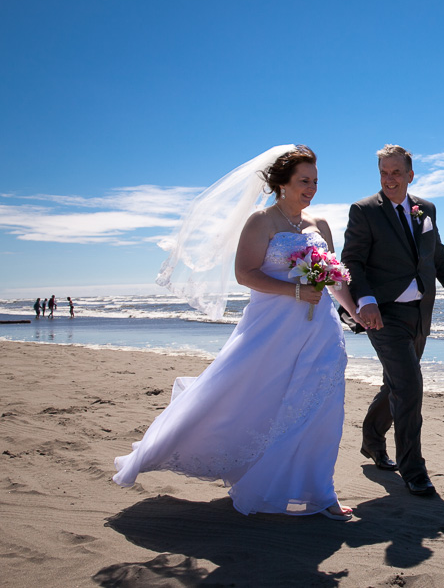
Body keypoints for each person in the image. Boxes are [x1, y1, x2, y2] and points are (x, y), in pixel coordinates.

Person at [113, 145, 359, 520]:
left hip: (320, 329)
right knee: (248, 398)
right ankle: (209, 459)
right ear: (282, 184)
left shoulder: (321, 225)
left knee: (321, 406)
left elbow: (332, 278)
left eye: (315, 182)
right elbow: (246, 274)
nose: (310, 188)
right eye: (303, 181)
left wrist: (356, 310)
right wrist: (295, 290)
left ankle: (320, 492)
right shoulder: (261, 222)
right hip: (272, 329)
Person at [342, 144, 444, 496]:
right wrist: (366, 300)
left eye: (396, 172)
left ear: (410, 175)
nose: (389, 179)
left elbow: (439, 258)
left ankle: (372, 440)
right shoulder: (364, 210)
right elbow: (352, 261)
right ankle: (413, 469)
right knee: (410, 386)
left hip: (420, 313)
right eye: (384, 173)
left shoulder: (426, 209)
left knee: (397, 384)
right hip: (382, 315)